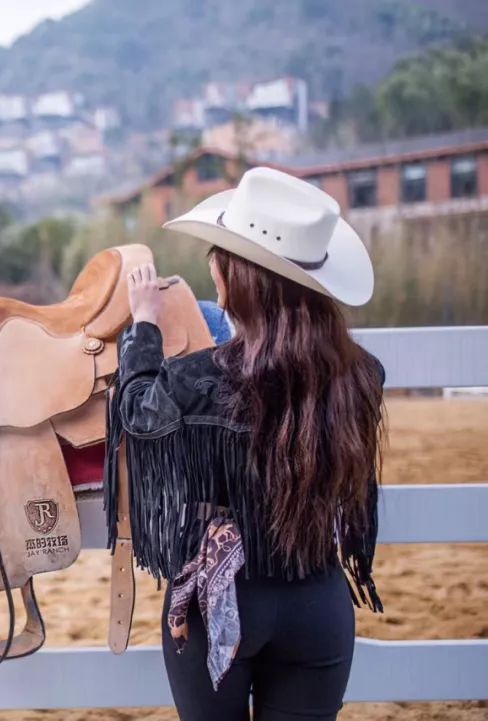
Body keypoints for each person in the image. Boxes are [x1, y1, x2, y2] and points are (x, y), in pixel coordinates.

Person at [118, 167, 386, 721]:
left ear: (236, 276)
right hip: (318, 597)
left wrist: (143, 325)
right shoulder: (363, 377)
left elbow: (138, 415)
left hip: (220, 601)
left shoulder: (196, 381)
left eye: (219, 253)